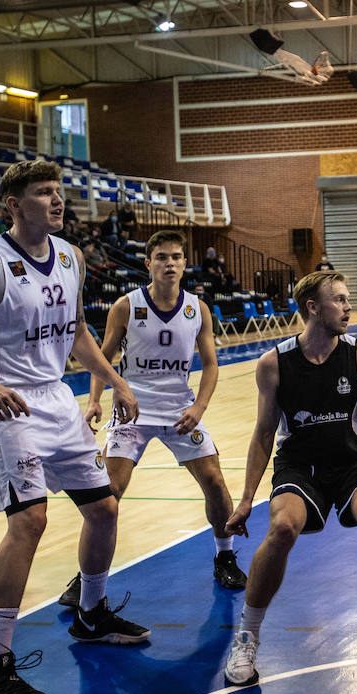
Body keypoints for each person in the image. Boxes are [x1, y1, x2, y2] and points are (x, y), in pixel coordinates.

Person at [0, 160, 150, 694]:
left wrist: (116, 380)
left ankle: (92, 614)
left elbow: (75, 331)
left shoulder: (71, 256)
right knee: (29, 520)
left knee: (104, 508)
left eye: (58, 191)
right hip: (5, 403)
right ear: (12, 205)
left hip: (56, 397)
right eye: (43, 193)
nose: (56, 200)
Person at [221, 270, 357, 686]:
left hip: (350, 462)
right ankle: (247, 636)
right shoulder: (273, 364)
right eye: (339, 300)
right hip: (299, 466)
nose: (349, 306)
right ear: (313, 308)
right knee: (281, 527)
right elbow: (263, 434)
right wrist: (245, 499)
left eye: (348, 298)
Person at [57, 230, 246, 609]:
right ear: (148, 264)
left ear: (184, 263)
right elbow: (100, 358)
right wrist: (94, 400)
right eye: (162, 257)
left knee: (214, 479)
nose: (171, 263)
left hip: (180, 408)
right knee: (109, 493)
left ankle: (224, 555)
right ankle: (87, 577)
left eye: (176, 256)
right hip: (133, 407)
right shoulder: (126, 306)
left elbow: (210, 365)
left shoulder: (198, 309)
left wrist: (199, 408)